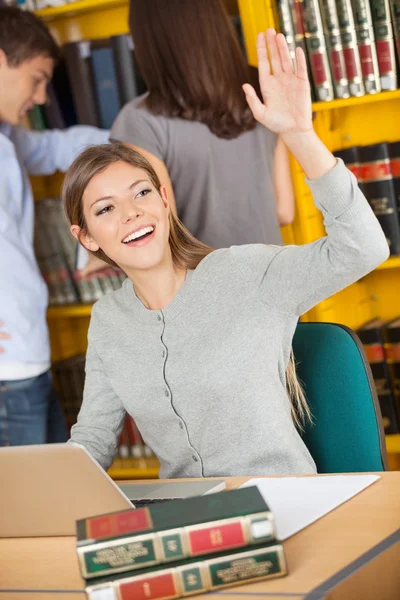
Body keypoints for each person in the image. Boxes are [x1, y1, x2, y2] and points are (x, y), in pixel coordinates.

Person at [64, 31, 389, 477]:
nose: (132, 213)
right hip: (187, 519)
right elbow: (93, 440)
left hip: (286, 505)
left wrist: (299, 134)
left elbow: (363, 247)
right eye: (106, 209)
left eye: (141, 193)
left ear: (163, 199)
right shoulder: (109, 320)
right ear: (88, 239)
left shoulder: (246, 273)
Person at [0, 7, 109, 446]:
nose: (43, 97)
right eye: (37, 78)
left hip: (27, 359)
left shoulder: (8, 139)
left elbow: (57, 147)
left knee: (48, 493)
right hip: (10, 373)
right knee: (26, 511)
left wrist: (145, 135)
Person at [110, 0, 295, 251]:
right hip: (278, 277)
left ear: (148, 40)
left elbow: (162, 237)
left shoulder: (139, 121)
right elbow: (283, 212)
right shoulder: (262, 92)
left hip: (204, 284)